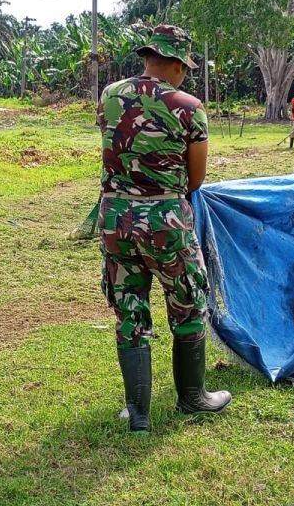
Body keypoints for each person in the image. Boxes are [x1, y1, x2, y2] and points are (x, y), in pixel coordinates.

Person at [97, 24, 231, 434]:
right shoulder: (188, 107)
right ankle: (192, 397)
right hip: (165, 221)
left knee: (129, 310)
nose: (186, 74)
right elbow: (195, 179)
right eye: (185, 67)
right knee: (188, 301)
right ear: (174, 64)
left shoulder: (109, 96)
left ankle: (137, 413)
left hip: (115, 219)